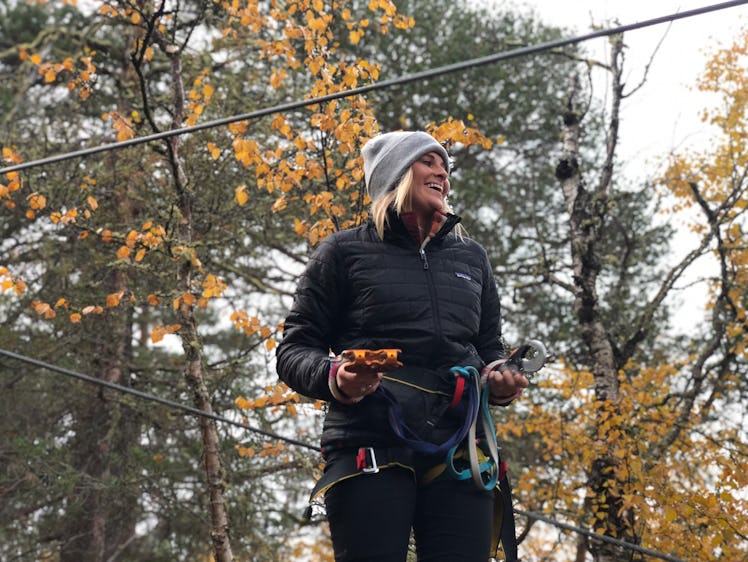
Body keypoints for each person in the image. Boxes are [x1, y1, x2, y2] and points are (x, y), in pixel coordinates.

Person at [276, 130, 529, 562]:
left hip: (459, 447)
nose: (441, 173)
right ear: (396, 175)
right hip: (370, 441)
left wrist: (500, 378)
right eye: (427, 162)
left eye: (444, 166)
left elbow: (489, 348)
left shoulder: (472, 258)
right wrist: (338, 378)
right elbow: (295, 349)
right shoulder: (343, 252)